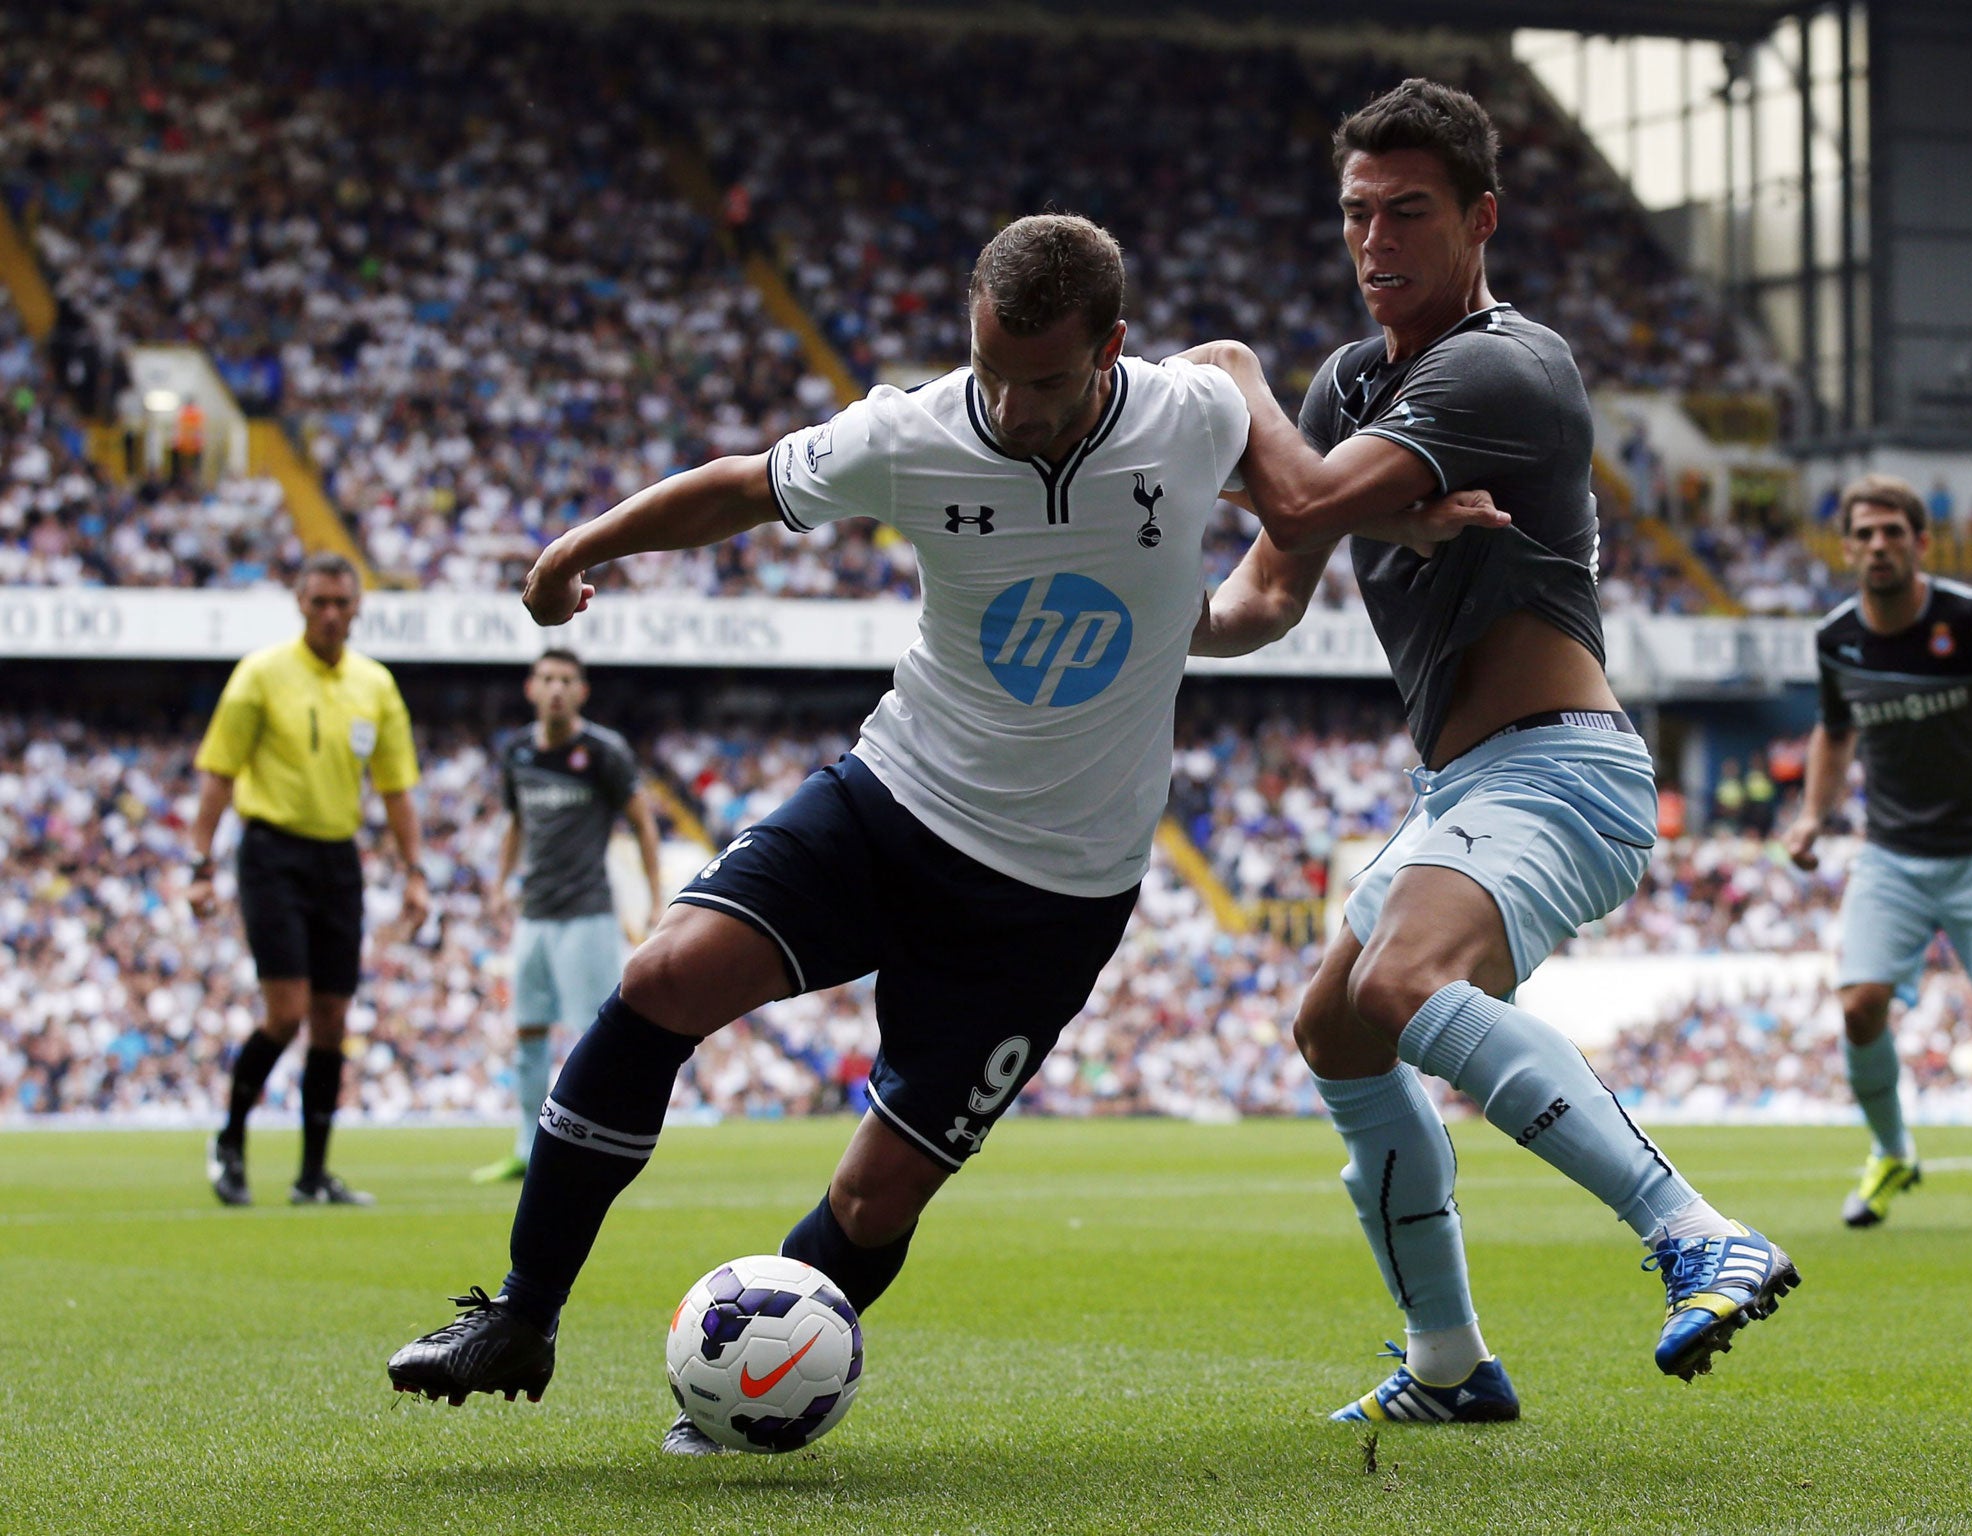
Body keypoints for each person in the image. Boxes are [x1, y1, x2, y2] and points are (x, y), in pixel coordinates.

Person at [383, 214, 1498, 1446]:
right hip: (891, 800)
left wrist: (1375, 534)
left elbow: (1288, 510)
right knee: (660, 979)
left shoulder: (1188, 415)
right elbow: (743, 488)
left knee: (874, 1200)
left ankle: (753, 1395)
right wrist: (578, 549)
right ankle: (520, 1313)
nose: (1013, 409)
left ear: (1112, 348)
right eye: (990, 373)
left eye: (1046, 381)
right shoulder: (911, 432)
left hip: (1055, 894)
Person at [1186, 78, 1797, 1425]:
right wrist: (1148, 621)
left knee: (1404, 979)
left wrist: (1233, 391)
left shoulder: (1502, 368)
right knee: (1333, 1027)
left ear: (1482, 221)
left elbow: (1299, 493)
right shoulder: (1353, 381)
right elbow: (1268, 594)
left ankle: (1692, 1229)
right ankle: (1450, 1363)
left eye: (1409, 211)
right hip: (1461, 785)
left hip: (1561, 768)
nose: (1375, 241)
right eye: (1357, 214)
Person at [1784, 474, 1972, 1230]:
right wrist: (1810, 816)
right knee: (1860, 1005)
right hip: (1891, 853)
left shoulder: (1969, 618)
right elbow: (1835, 730)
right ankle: (1892, 1151)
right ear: (1846, 549)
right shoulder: (1837, 636)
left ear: (1920, 542)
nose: (1878, 546)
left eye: (1892, 532)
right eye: (1863, 534)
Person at [190, 552, 429, 1206]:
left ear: (357, 609)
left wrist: (415, 873)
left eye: (340, 603)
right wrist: (200, 863)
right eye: (319, 601)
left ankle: (312, 1174)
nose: (329, 614)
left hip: (337, 858)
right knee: (287, 1012)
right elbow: (219, 770)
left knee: (332, 1017)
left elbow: (396, 788)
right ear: (300, 604)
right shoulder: (260, 675)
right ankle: (231, 1139)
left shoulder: (375, 686)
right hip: (271, 852)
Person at [472, 649, 665, 1184]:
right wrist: (498, 883)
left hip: (587, 915)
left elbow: (643, 824)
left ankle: (599, 1148)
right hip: (534, 914)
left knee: (591, 1036)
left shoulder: (603, 751)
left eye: (566, 680)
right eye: (547, 679)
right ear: (531, 688)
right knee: (528, 1032)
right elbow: (515, 823)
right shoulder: (517, 754)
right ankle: (526, 1148)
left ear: (581, 691)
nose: (556, 688)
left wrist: (654, 896)